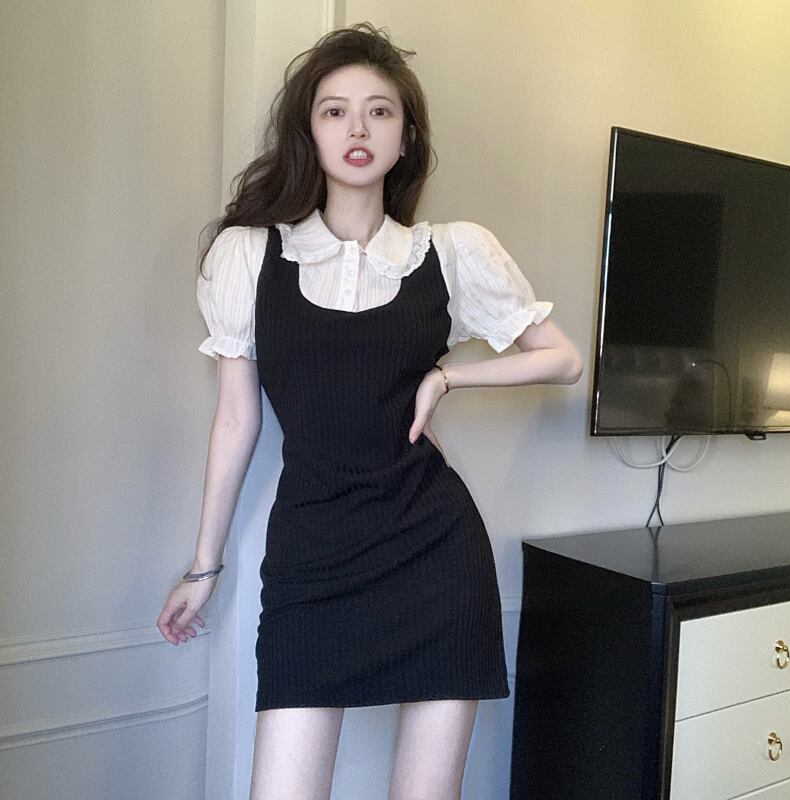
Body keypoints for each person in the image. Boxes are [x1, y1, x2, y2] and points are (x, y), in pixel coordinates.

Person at [156, 21, 582, 800]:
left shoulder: (451, 252)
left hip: (434, 554)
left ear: (406, 135)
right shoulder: (249, 255)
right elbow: (236, 422)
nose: (357, 129)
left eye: (379, 111)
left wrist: (448, 378)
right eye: (334, 111)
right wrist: (203, 567)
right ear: (309, 132)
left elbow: (562, 358)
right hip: (312, 557)